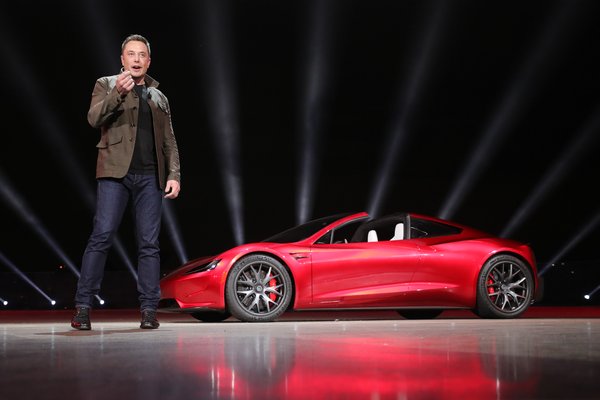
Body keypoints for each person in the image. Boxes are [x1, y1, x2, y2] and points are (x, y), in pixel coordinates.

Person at [71, 34, 181, 330]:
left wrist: (174, 175)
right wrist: (118, 93)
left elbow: (169, 140)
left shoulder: (159, 96)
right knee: (102, 234)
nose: (135, 59)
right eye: (130, 54)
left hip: (150, 176)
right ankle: (83, 307)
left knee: (149, 244)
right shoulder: (106, 84)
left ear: (148, 60)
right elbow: (94, 119)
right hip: (114, 173)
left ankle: (148, 310)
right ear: (122, 60)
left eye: (141, 54)